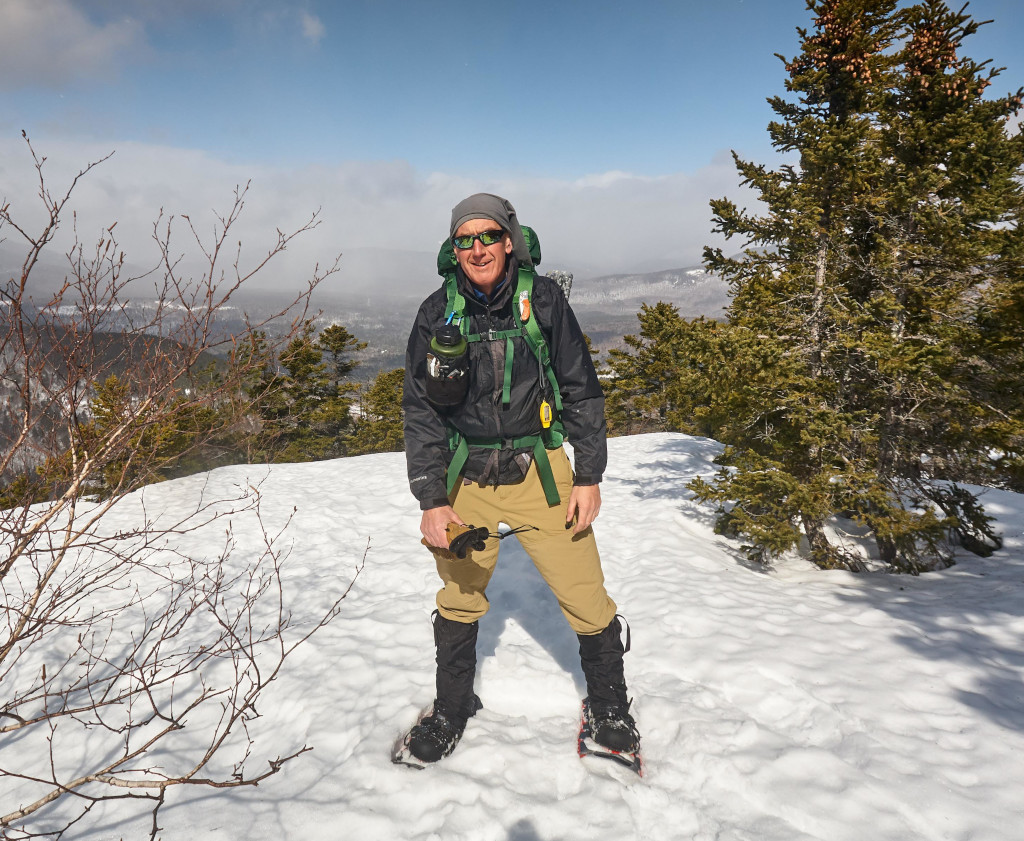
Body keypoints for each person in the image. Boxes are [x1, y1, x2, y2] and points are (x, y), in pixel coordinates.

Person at [401, 192, 638, 764]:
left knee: (584, 593)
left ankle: (609, 705)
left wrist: (589, 474)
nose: (477, 248)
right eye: (465, 239)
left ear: (510, 240)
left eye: (488, 236)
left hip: (542, 473)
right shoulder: (437, 313)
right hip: (467, 476)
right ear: (452, 248)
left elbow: (581, 388)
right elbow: (420, 410)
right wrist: (432, 499)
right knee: (460, 595)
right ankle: (452, 707)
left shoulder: (545, 302)